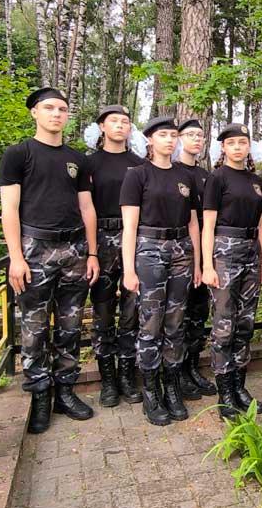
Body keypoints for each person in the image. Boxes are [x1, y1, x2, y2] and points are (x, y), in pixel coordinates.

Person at [0, 87, 100, 434]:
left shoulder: (77, 159)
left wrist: (92, 253)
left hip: (74, 250)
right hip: (35, 249)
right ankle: (40, 394)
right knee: (35, 326)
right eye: (49, 108)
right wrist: (16, 257)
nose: (56, 114)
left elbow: (87, 207)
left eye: (62, 109)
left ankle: (66, 392)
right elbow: (9, 209)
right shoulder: (19, 154)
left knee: (71, 325)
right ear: (34, 113)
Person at [120, 116, 201, 426]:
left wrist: (196, 262)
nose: (169, 140)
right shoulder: (137, 175)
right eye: (163, 135)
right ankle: (151, 391)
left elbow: (192, 222)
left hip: (181, 250)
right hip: (149, 249)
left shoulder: (185, 176)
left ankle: (172, 386)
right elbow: (129, 227)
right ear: (149, 140)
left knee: (176, 322)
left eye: (172, 135)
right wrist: (129, 270)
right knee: (150, 323)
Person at [201, 122, 262, 421]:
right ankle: (225, 392)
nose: (238, 147)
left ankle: (240, 386)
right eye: (232, 143)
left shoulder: (255, 180)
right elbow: (207, 225)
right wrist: (207, 265)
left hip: (251, 251)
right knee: (224, 324)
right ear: (223, 148)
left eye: (243, 142)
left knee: (245, 323)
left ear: (249, 146)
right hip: (225, 251)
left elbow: (261, 224)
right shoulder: (217, 178)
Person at [85, 104, 144, 408]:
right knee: (103, 311)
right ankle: (107, 380)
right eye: (113, 121)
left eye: (125, 121)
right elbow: (84, 207)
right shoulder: (89, 163)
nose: (120, 125)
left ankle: (127, 376)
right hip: (102, 239)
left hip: (134, 239)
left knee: (132, 311)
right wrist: (91, 251)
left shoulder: (139, 165)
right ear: (102, 127)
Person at [175, 118, 218, 399]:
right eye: (190, 134)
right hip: (178, 251)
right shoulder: (171, 170)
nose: (196, 140)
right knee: (177, 314)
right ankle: (176, 372)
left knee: (197, 313)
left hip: (204, 251)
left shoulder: (206, 176)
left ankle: (192, 367)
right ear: (179, 138)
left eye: (200, 135)